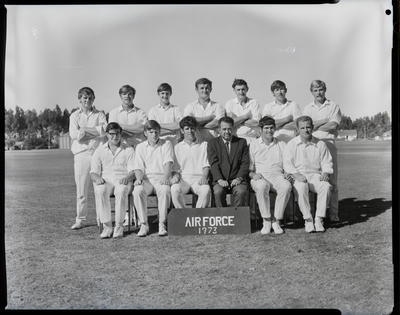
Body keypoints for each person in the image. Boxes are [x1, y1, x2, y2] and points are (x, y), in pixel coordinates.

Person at [283, 116, 333, 233]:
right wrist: (296, 175)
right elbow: (287, 164)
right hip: (298, 175)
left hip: (315, 175)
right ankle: (308, 219)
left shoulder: (320, 144)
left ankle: (319, 219)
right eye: (302, 128)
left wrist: (326, 172)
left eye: (308, 127)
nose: (306, 130)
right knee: (301, 187)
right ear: (297, 129)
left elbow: (327, 161)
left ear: (313, 128)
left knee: (326, 187)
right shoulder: (292, 144)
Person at [108, 84, 148, 225]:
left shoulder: (140, 112)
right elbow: (113, 130)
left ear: (133, 96)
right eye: (124, 94)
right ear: (120, 96)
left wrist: (123, 128)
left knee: (136, 183)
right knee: (124, 183)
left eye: (130, 94)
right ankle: (127, 216)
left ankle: (136, 216)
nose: (127, 96)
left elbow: (142, 129)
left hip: (137, 150)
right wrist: (132, 130)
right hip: (121, 150)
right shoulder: (114, 112)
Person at [302, 80, 342, 222]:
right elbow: (304, 126)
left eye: (321, 89)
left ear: (325, 90)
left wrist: (315, 125)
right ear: (311, 92)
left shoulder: (333, 105)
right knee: (314, 179)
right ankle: (316, 214)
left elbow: (333, 125)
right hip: (313, 146)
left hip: (328, 144)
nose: (318, 93)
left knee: (332, 181)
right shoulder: (307, 108)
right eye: (315, 90)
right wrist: (323, 120)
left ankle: (333, 214)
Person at [69, 87, 107, 230]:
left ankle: (101, 219)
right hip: (81, 154)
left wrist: (85, 131)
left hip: (97, 154)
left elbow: (104, 132)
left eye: (90, 98)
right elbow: (75, 135)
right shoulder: (74, 116)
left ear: (93, 99)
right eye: (85, 98)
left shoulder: (100, 114)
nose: (87, 100)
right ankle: (80, 219)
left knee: (100, 186)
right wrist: (94, 131)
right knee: (81, 189)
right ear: (80, 99)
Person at [90, 122, 135, 239]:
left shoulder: (128, 149)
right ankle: (107, 227)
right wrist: (98, 178)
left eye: (117, 134)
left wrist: (128, 178)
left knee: (120, 192)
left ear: (121, 134)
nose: (115, 137)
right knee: (100, 191)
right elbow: (93, 172)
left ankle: (119, 227)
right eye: (112, 134)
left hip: (122, 180)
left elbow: (133, 171)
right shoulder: (99, 150)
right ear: (106, 134)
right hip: (106, 180)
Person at [249, 116, 292, 235]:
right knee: (262, 186)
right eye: (266, 128)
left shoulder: (282, 144)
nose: (269, 130)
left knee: (286, 186)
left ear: (275, 129)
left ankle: (276, 220)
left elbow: (287, 164)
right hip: (260, 176)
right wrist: (253, 175)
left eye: (271, 128)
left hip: (278, 175)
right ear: (260, 129)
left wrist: (287, 173)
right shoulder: (254, 144)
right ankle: (266, 220)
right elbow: (250, 168)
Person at [132, 120, 174, 237]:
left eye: (156, 132)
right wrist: (139, 179)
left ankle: (162, 224)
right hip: (147, 180)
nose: (154, 134)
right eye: (151, 132)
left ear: (160, 132)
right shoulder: (140, 147)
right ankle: (144, 224)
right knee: (137, 191)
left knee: (165, 191)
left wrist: (166, 177)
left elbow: (168, 163)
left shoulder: (166, 144)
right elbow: (138, 167)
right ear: (145, 133)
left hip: (162, 178)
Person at [207, 116, 250, 208]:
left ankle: (237, 218)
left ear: (233, 129)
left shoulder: (241, 142)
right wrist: (219, 179)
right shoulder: (212, 143)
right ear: (219, 130)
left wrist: (238, 178)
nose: (227, 132)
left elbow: (245, 163)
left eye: (229, 129)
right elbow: (213, 163)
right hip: (220, 180)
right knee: (218, 192)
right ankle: (222, 217)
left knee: (241, 191)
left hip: (237, 178)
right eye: (224, 129)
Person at [170, 116, 211, 208]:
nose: (190, 131)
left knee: (206, 189)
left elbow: (206, 165)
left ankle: (197, 216)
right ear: (182, 131)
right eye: (187, 129)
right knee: (174, 189)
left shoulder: (204, 145)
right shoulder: (177, 147)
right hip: (183, 179)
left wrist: (204, 177)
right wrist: (176, 176)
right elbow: (175, 168)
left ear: (196, 129)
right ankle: (183, 215)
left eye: (192, 128)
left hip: (199, 179)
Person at [183, 78, 225, 142]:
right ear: (196, 90)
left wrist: (197, 126)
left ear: (211, 89)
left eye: (207, 88)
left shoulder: (218, 106)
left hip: (214, 143)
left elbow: (218, 123)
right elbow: (188, 123)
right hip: (196, 144)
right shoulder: (190, 106)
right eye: (202, 88)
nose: (205, 90)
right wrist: (210, 118)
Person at [225, 78, 262, 145]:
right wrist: (246, 116)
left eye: (243, 89)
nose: (241, 92)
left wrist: (237, 119)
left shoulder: (254, 102)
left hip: (252, 139)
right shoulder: (229, 103)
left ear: (247, 89)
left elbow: (256, 123)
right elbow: (229, 124)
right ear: (234, 90)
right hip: (235, 140)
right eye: (238, 90)